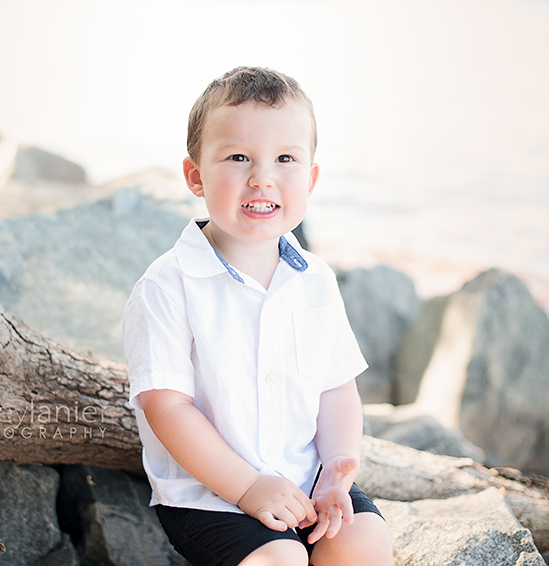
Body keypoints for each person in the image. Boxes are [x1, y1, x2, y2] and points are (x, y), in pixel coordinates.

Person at [123, 66, 394, 566]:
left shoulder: (314, 279)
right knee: (280, 560)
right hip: (211, 492)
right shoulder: (167, 285)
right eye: (238, 157)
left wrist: (336, 469)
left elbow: (336, 387)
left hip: (304, 475)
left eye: (285, 158)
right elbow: (168, 408)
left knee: (364, 542)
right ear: (195, 175)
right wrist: (248, 487)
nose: (262, 176)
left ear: (310, 178)